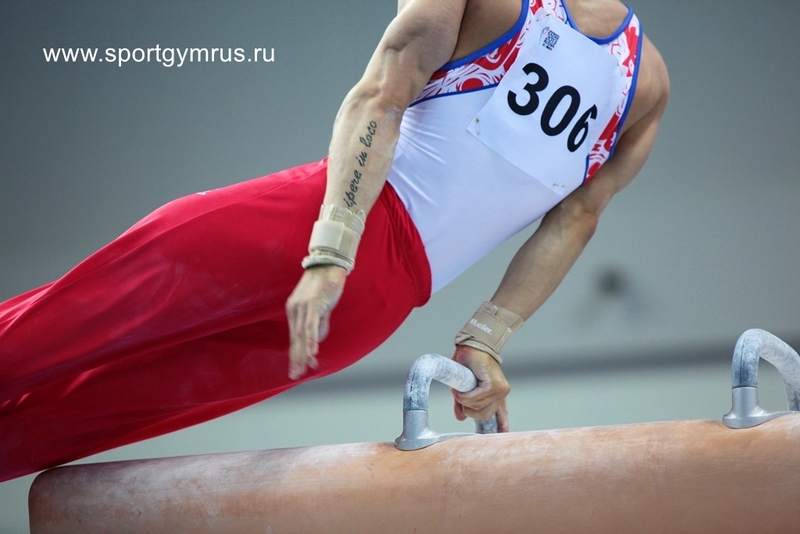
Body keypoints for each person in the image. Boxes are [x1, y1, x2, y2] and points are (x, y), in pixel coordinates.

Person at [0, 0, 669, 482]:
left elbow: (381, 98)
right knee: (91, 414)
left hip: (302, 232)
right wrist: (486, 340)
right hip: (373, 312)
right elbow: (577, 218)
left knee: (52, 330)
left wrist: (331, 249)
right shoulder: (647, 80)